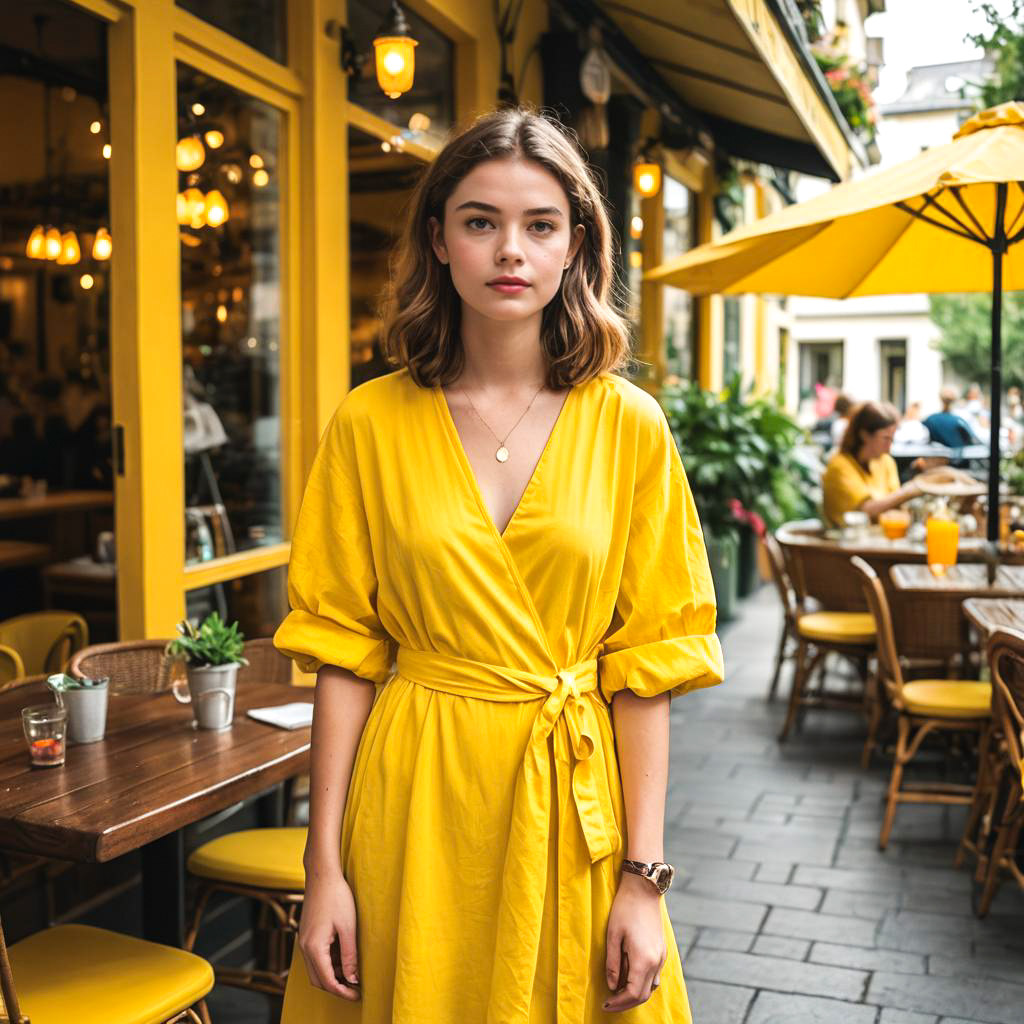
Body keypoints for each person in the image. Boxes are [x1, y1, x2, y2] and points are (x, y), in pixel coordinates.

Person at [273, 108, 724, 1024]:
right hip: (414, 804)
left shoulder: (630, 425)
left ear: (575, 247)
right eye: (480, 221)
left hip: (573, 805)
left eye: (539, 225)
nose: (508, 250)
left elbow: (648, 665)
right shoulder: (368, 422)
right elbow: (343, 654)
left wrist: (645, 878)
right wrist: (323, 869)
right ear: (439, 240)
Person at [822, 401, 921, 528]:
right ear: (864, 434)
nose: (889, 447)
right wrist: (911, 490)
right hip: (845, 544)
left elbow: (896, 507)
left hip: (880, 540)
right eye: (885, 438)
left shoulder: (885, 461)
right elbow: (866, 510)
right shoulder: (839, 465)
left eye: (892, 439)